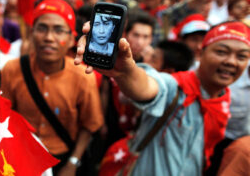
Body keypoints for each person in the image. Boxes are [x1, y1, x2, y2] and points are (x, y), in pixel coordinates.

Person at [75, 21, 250, 175]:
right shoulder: (177, 87)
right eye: (221, 52)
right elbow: (148, 86)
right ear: (200, 52)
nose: (231, 62)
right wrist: (125, 72)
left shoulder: (223, 100)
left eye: (241, 56)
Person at [1, 0, 103, 175]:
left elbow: (90, 124)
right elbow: (4, 117)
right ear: (32, 33)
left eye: (58, 30)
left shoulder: (84, 77)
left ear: (71, 39)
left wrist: (72, 163)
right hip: (21, 158)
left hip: (63, 159)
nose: (49, 38)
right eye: (42, 28)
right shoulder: (12, 69)